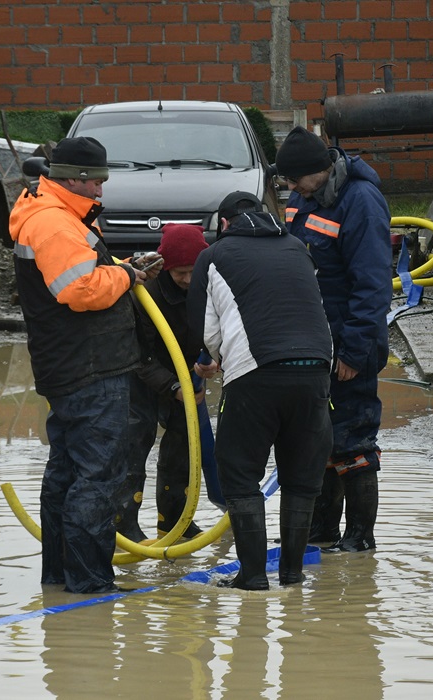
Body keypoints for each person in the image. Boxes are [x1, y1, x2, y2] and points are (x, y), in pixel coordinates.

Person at [9, 136, 152, 594]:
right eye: (95, 182)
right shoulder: (55, 222)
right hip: (91, 366)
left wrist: (123, 266)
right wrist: (126, 275)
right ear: (71, 177)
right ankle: (90, 584)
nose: (100, 192)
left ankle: (60, 578)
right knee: (98, 476)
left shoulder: (51, 213)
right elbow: (80, 290)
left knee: (66, 474)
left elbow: (79, 272)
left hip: (67, 366)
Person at [188, 191, 334, 589]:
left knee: (239, 475)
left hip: (256, 372)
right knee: (301, 479)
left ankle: (252, 577)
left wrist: (211, 358)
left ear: (224, 224)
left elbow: (205, 326)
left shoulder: (214, 255)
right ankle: (291, 575)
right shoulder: (297, 248)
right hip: (317, 368)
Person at [275, 126, 392, 553]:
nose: (289, 188)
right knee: (315, 437)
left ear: (318, 172)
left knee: (353, 438)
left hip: (349, 342)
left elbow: (373, 284)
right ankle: (321, 531)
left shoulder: (361, 202)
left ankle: (360, 538)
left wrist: (354, 352)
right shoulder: (302, 200)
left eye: (293, 180)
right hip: (312, 342)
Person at [114, 224, 210, 543]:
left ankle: (173, 520)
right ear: (166, 267)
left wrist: (210, 363)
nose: (186, 279)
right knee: (135, 442)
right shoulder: (146, 294)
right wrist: (172, 387)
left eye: (192, 271)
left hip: (186, 372)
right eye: (180, 272)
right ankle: (123, 523)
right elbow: (138, 353)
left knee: (184, 446)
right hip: (142, 372)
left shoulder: (209, 284)